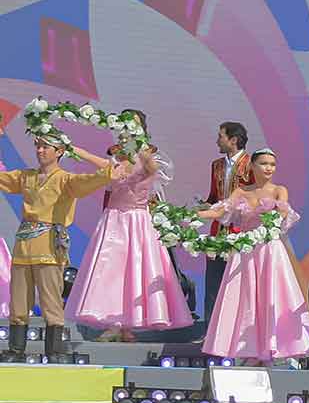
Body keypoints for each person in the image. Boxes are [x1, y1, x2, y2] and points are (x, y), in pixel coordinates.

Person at [67, 111, 189, 342]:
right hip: (113, 220)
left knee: (135, 271)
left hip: (137, 221)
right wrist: (72, 148)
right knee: (111, 271)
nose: (126, 131)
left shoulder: (148, 157)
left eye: (132, 126)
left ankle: (127, 325)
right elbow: (100, 163)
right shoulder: (116, 159)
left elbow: (153, 169)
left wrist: (138, 143)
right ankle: (115, 323)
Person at [194, 149, 309, 367]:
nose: (269, 168)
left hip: (270, 251)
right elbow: (219, 212)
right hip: (245, 253)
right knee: (245, 298)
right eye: (263, 163)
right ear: (252, 166)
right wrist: (190, 215)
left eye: (272, 164)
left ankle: (275, 346)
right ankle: (249, 349)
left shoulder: (279, 190)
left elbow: (283, 213)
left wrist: (274, 219)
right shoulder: (241, 192)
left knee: (273, 296)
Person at [0, 139, 115, 361]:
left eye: (46, 147)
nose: (40, 151)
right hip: (23, 245)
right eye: (38, 146)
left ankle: (54, 351)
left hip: (49, 246)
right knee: (19, 301)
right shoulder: (26, 176)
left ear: (59, 151)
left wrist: (86, 155)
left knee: (51, 300)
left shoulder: (66, 179)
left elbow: (98, 177)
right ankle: (16, 350)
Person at [199, 122, 250, 318]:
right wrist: (203, 206)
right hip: (218, 231)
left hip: (241, 232)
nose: (217, 141)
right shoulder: (217, 165)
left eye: (220, 136)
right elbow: (214, 197)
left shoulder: (251, 163)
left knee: (240, 283)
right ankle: (210, 329)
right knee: (213, 283)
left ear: (233, 140)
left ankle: (240, 329)